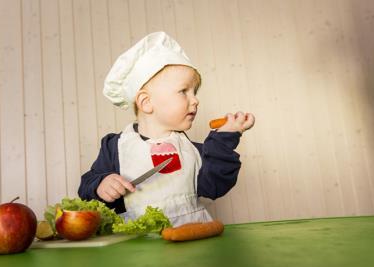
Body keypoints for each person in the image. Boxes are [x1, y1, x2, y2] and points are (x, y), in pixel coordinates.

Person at [78, 31, 255, 226]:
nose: (195, 100)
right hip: (138, 247)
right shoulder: (114, 147)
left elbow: (215, 187)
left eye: (194, 92)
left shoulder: (195, 150)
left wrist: (224, 138)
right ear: (146, 102)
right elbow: (87, 187)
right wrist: (101, 184)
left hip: (192, 242)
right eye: (183, 91)